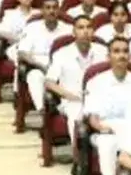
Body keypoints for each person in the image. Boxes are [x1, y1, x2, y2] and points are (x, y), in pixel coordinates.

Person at [83, 38, 131, 175]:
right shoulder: (96, 82)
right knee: (107, 143)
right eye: (116, 51)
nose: (122, 55)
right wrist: (106, 129)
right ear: (108, 57)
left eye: (125, 51)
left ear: (130, 56)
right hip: (107, 131)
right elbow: (93, 119)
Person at [44, 15, 108, 145]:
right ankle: (78, 158)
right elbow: (49, 82)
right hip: (73, 100)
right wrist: (70, 96)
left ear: (93, 31)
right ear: (73, 32)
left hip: (100, 98)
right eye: (81, 27)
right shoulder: (62, 53)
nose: (85, 31)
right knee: (76, 115)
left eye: (89, 27)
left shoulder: (103, 51)